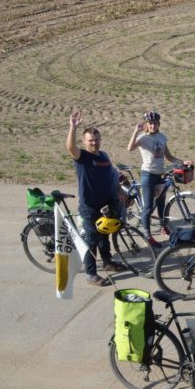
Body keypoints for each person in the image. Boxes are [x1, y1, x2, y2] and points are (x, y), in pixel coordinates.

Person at [65, 110, 129, 287]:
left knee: (104, 236)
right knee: (91, 241)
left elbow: (112, 175)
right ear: (85, 142)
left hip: (107, 205)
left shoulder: (104, 156)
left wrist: (120, 191)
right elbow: (70, 148)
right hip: (90, 207)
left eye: (96, 139)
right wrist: (73, 127)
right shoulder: (82, 157)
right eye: (90, 140)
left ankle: (108, 262)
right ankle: (91, 274)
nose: (94, 143)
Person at [126, 110, 188, 248]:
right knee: (148, 207)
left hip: (160, 175)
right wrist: (136, 132)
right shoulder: (142, 138)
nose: (153, 125)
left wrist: (183, 162)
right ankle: (148, 235)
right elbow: (130, 148)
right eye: (150, 123)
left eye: (155, 123)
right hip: (148, 175)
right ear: (147, 124)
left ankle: (163, 226)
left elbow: (169, 157)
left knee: (161, 203)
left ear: (158, 124)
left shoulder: (162, 137)